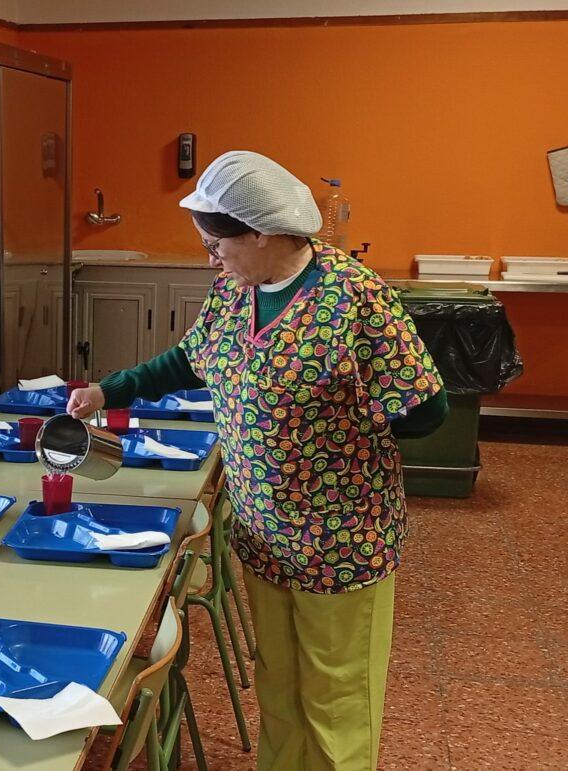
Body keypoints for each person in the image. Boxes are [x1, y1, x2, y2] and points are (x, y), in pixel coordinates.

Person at [67, 151, 448, 770]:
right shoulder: (234, 288)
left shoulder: (355, 298)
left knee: (337, 700)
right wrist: (109, 390)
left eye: (217, 245)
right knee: (278, 684)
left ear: (262, 233)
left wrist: (342, 429)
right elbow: (190, 359)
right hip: (264, 529)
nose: (210, 258)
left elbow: (427, 409)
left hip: (341, 538)